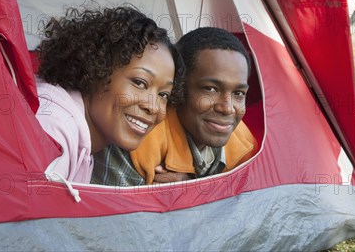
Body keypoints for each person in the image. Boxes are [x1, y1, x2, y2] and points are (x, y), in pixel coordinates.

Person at [34, 6, 184, 184]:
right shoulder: (54, 130)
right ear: (96, 68)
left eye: (164, 94)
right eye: (139, 82)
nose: (153, 106)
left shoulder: (82, 134)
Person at [92, 27, 257, 186]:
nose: (227, 108)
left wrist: (188, 193)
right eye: (210, 89)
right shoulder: (133, 140)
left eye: (239, 93)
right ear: (178, 87)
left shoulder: (246, 146)